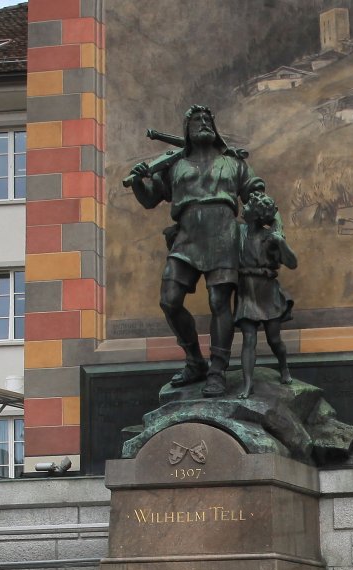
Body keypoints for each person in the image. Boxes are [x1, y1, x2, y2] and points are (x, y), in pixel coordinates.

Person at [127, 104, 269, 398]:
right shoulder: (173, 165)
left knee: (219, 302)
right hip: (186, 237)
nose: (203, 123)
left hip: (224, 236)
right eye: (197, 120)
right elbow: (150, 199)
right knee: (169, 301)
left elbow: (256, 195)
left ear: (215, 129)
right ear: (187, 130)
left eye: (207, 119)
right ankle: (195, 361)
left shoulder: (233, 163)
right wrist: (139, 182)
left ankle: (217, 371)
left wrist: (270, 227)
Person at [233, 191, 297, 399]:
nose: (244, 207)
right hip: (246, 291)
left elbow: (292, 263)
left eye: (248, 205)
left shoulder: (270, 237)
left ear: (256, 215)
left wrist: (282, 242)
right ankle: (248, 384)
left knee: (274, 339)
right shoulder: (238, 231)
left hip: (267, 292)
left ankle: (284, 366)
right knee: (248, 338)